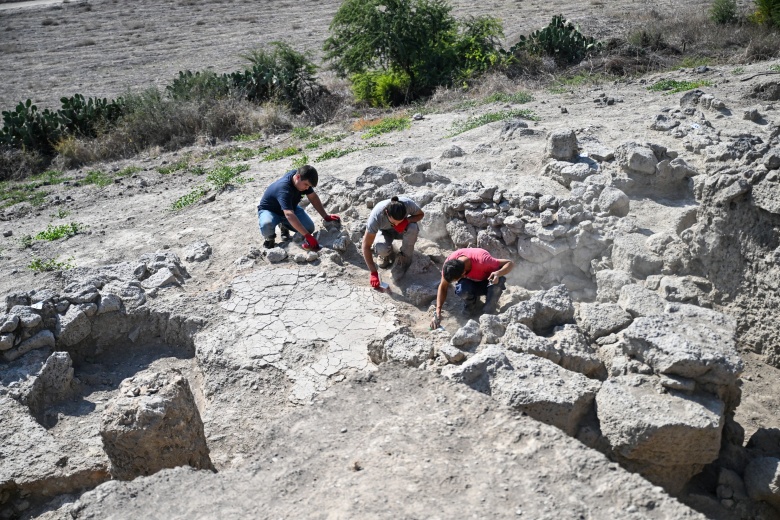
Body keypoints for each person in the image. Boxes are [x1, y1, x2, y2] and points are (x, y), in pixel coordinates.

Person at [257, 165, 340, 250]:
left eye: (309, 186)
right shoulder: (284, 189)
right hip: (270, 210)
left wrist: (325, 216)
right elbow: (289, 215)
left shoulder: (301, 177)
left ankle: (284, 226)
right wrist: (307, 236)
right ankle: (269, 239)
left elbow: (313, 197)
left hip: (290, 207)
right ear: (297, 177)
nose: (307, 187)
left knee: (309, 228)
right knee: (266, 224)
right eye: (306, 185)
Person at [430, 247, 514, 328]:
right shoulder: (450, 265)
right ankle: (471, 306)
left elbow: (509, 263)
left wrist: (498, 273)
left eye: (456, 280)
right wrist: (438, 311)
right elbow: (443, 286)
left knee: (498, 282)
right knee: (462, 290)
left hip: (486, 282)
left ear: (463, 273)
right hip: (471, 284)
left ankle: (489, 308)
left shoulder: (483, 260)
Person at [362, 196, 424, 287]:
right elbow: (365, 245)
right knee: (381, 248)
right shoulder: (376, 217)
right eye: (394, 222)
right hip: (385, 231)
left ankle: (404, 258)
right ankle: (386, 255)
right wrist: (373, 272)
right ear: (387, 213)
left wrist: (406, 221)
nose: (397, 224)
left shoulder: (407, 204)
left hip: (402, 230)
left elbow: (420, 214)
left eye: (400, 221)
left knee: (413, 228)